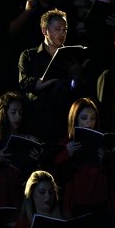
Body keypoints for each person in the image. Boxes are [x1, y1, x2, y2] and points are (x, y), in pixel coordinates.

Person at [19, 9, 85, 143]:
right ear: (44, 30)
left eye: (65, 29)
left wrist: (76, 76)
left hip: (64, 117)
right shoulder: (29, 55)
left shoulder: (71, 56)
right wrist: (42, 82)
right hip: (38, 117)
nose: (62, 33)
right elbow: (24, 83)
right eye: (58, 29)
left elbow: (76, 89)